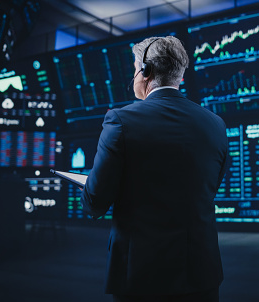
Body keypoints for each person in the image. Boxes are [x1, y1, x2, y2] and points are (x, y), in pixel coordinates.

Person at [80, 36, 228, 302]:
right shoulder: (216, 124)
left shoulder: (120, 121)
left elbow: (95, 202)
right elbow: (209, 189)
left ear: (145, 71)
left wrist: (93, 184)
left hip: (141, 276)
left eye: (135, 68)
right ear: (179, 76)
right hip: (200, 274)